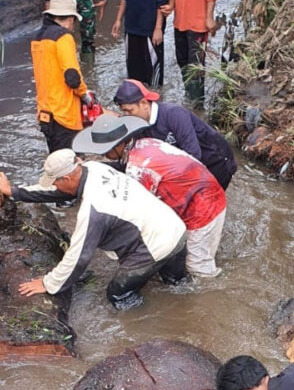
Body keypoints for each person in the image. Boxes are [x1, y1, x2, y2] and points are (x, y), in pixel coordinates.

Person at [0, 149, 187, 311]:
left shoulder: (94, 210)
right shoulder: (93, 168)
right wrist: (14, 192)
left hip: (155, 245)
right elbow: (57, 192)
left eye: (56, 181)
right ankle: (183, 307)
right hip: (175, 228)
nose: (55, 186)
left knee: (118, 294)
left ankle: (149, 325)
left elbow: (79, 256)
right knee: (177, 286)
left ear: (67, 177)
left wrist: (49, 284)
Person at [75, 114, 226, 276]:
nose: (104, 156)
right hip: (207, 190)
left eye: (106, 151)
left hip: (203, 210)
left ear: (119, 146)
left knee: (198, 267)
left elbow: (140, 214)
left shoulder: (137, 169)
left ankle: (210, 295)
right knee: (188, 251)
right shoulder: (146, 142)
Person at [113, 78, 237, 189]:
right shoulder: (139, 128)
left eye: (129, 111)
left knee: (207, 204)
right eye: (124, 112)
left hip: (216, 160)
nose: (127, 116)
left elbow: (193, 155)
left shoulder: (174, 114)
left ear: (144, 103)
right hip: (187, 163)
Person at [31, 0, 96, 153]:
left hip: (45, 114)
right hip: (63, 115)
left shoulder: (38, 38)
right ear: (70, 19)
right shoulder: (63, 37)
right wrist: (84, 95)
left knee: (57, 161)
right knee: (72, 165)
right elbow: (72, 77)